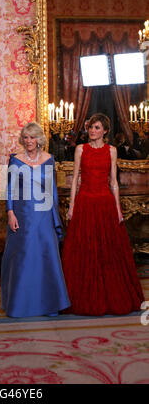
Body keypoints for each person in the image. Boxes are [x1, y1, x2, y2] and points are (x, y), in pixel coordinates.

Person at [62, 113, 144, 316]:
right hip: (85, 202)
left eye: (97, 127)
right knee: (84, 249)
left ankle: (110, 296)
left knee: (108, 251)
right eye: (90, 127)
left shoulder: (112, 151)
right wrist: (72, 205)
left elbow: (113, 182)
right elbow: (75, 180)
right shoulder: (81, 149)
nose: (92, 130)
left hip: (106, 203)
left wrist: (117, 208)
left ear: (105, 131)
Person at [1, 122, 70, 317]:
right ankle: (20, 305)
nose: (29, 141)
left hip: (44, 215)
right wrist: (10, 213)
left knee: (46, 257)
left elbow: (52, 191)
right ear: (22, 140)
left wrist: (55, 218)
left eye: (32, 137)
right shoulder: (15, 160)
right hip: (22, 215)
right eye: (25, 137)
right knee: (24, 258)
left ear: (39, 139)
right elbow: (10, 189)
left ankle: (49, 304)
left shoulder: (49, 160)